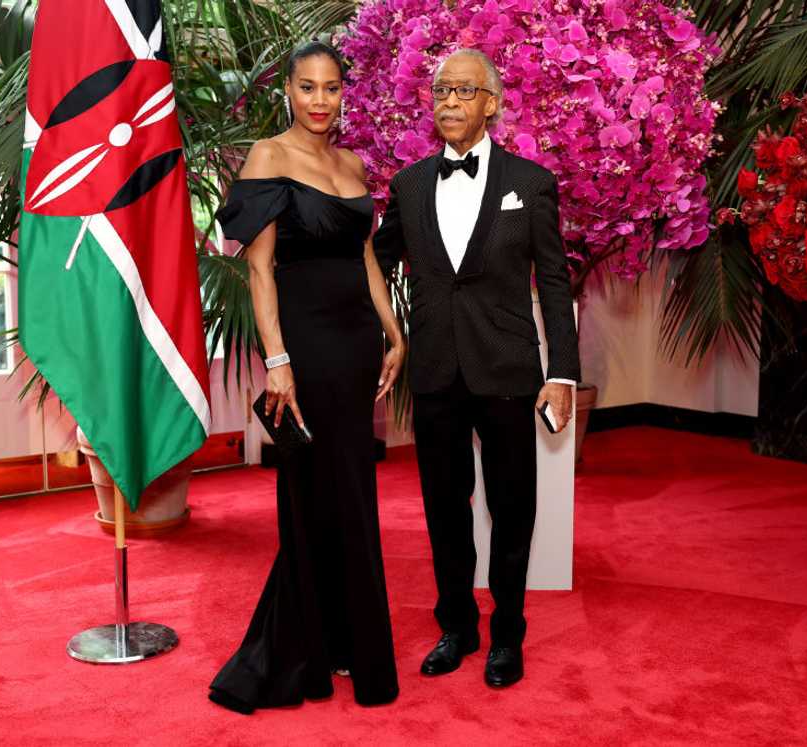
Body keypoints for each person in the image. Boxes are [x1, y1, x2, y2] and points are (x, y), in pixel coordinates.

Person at [373, 49, 580, 689]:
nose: (450, 101)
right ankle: (457, 627)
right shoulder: (407, 186)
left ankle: (507, 635)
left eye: (465, 90)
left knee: (513, 507)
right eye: (441, 90)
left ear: (491, 103)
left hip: (509, 369)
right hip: (435, 370)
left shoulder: (532, 181)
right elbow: (371, 264)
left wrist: (563, 374)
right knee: (444, 507)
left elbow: (552, 280)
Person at [208, 41, 404, 714]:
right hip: (306, 343)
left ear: (344, 93)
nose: (320, 100)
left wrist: (395, 331)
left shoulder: (351, 163)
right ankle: (307, 648)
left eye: (331, 88)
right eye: (308, 87)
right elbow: (260, 269)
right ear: (287, 90)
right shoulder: (268, 156)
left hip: (355, 343)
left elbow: (368, 261)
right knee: (315, 489)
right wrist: (278, 359)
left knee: (352, 488)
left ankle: (346, 639)